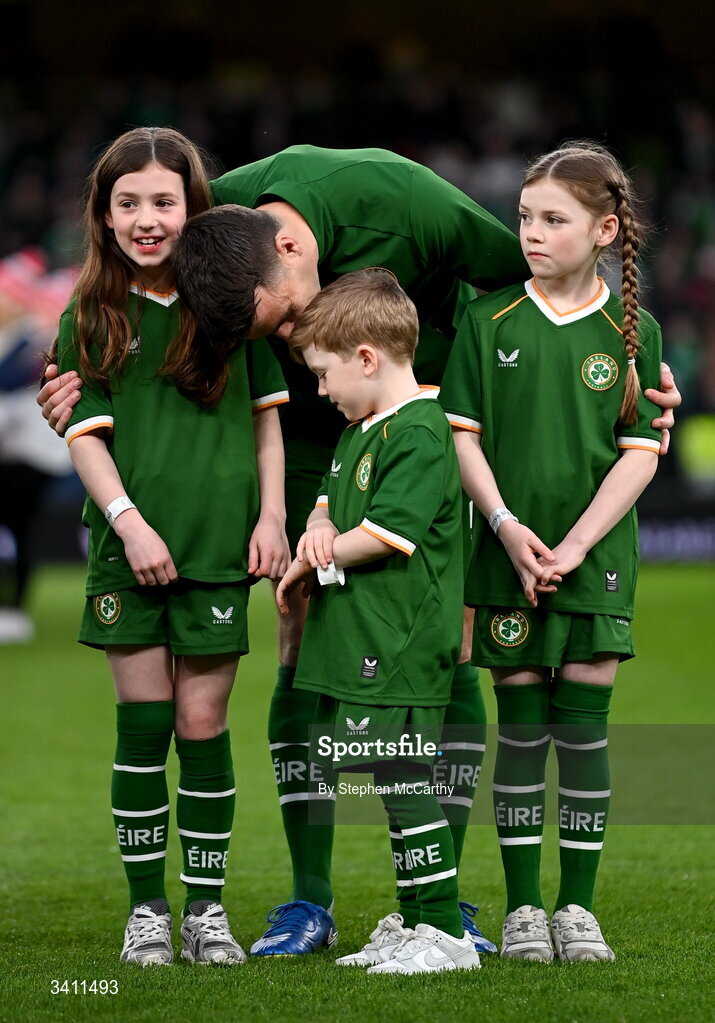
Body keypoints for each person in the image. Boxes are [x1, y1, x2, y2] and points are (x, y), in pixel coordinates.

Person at [38, 144, 680, 956]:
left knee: (443, 651)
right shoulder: (208, 216)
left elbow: (546, 283)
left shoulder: (405, 203)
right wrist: (63, 376)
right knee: (303, 647)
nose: (283, 337)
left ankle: (437, 898)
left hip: (419, 427)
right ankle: (309, 900)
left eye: (278, 319)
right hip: (298, 443)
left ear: (293, 250)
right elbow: (123, 285)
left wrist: (632, 376)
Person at [53, 127, 290, 966]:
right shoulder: (91, 313)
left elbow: (267, 430)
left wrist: (271, 519)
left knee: (202, 720)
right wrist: (129, 521)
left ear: (195, 208)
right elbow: (84, 435)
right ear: (104, 215)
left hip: (220, 549)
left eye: (164, 201)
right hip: (131, 551)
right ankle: (148, 910)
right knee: (144, 725)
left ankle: (208, 912)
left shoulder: (230, 307)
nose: (146, 219)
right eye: (128, 203)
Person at [440, 142, 662, 962]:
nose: (531, 232)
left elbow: (638, 451)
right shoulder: (484, 317)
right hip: (505, 557)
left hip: (594, 561)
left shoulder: (634, 329)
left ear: (604, 229)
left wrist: (571, 544)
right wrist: (503, 524)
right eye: (526, 216)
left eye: (553, 219)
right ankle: (524, 908)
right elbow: (462, 436)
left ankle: (577, 907)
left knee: (584, 737)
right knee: (522, 736)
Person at [276, 269, 480, 974]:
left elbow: (388, 535)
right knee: (394, 780)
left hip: (398, 638)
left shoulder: (420, 432)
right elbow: (333, 504)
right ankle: (416, 920)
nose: (321, 390)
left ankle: (445, 934)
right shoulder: (364, 429)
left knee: (402, 776)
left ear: (366, 356)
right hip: (364, 636)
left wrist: (318, 554)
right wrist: (317, 524)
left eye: (324, 374)